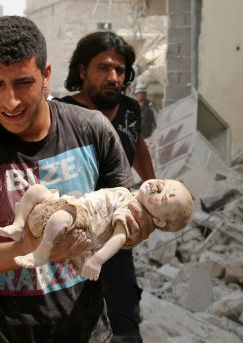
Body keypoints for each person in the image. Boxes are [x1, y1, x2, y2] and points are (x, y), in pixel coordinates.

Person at [0, 16, 155, 342]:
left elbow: (125, 213)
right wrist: (27, 248)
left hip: (84, 332)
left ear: (46, 75)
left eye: (23, 82)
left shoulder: (92, 130)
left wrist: (134, 226)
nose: (11, 101)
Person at [60, 31, 156, 342]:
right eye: (103, 68)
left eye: (120, 70)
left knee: (123, 321)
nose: (113, 77)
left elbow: (137, 144)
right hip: (70, 234)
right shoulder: (61, 113)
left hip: (117, 229)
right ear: (82, 70)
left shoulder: (130, 109)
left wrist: (152, 185)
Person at [0, 179, 193, 281]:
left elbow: (118, 238)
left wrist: (97, 261)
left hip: (83, 221)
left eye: (166, 196)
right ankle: (18, 225)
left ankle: (40, 253)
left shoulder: (134, 214)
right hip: (71, 205)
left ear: (158, 221)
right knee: (36, 191)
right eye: (165, 183)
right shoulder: (130, 195)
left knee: (59, 219)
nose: (160, 187)